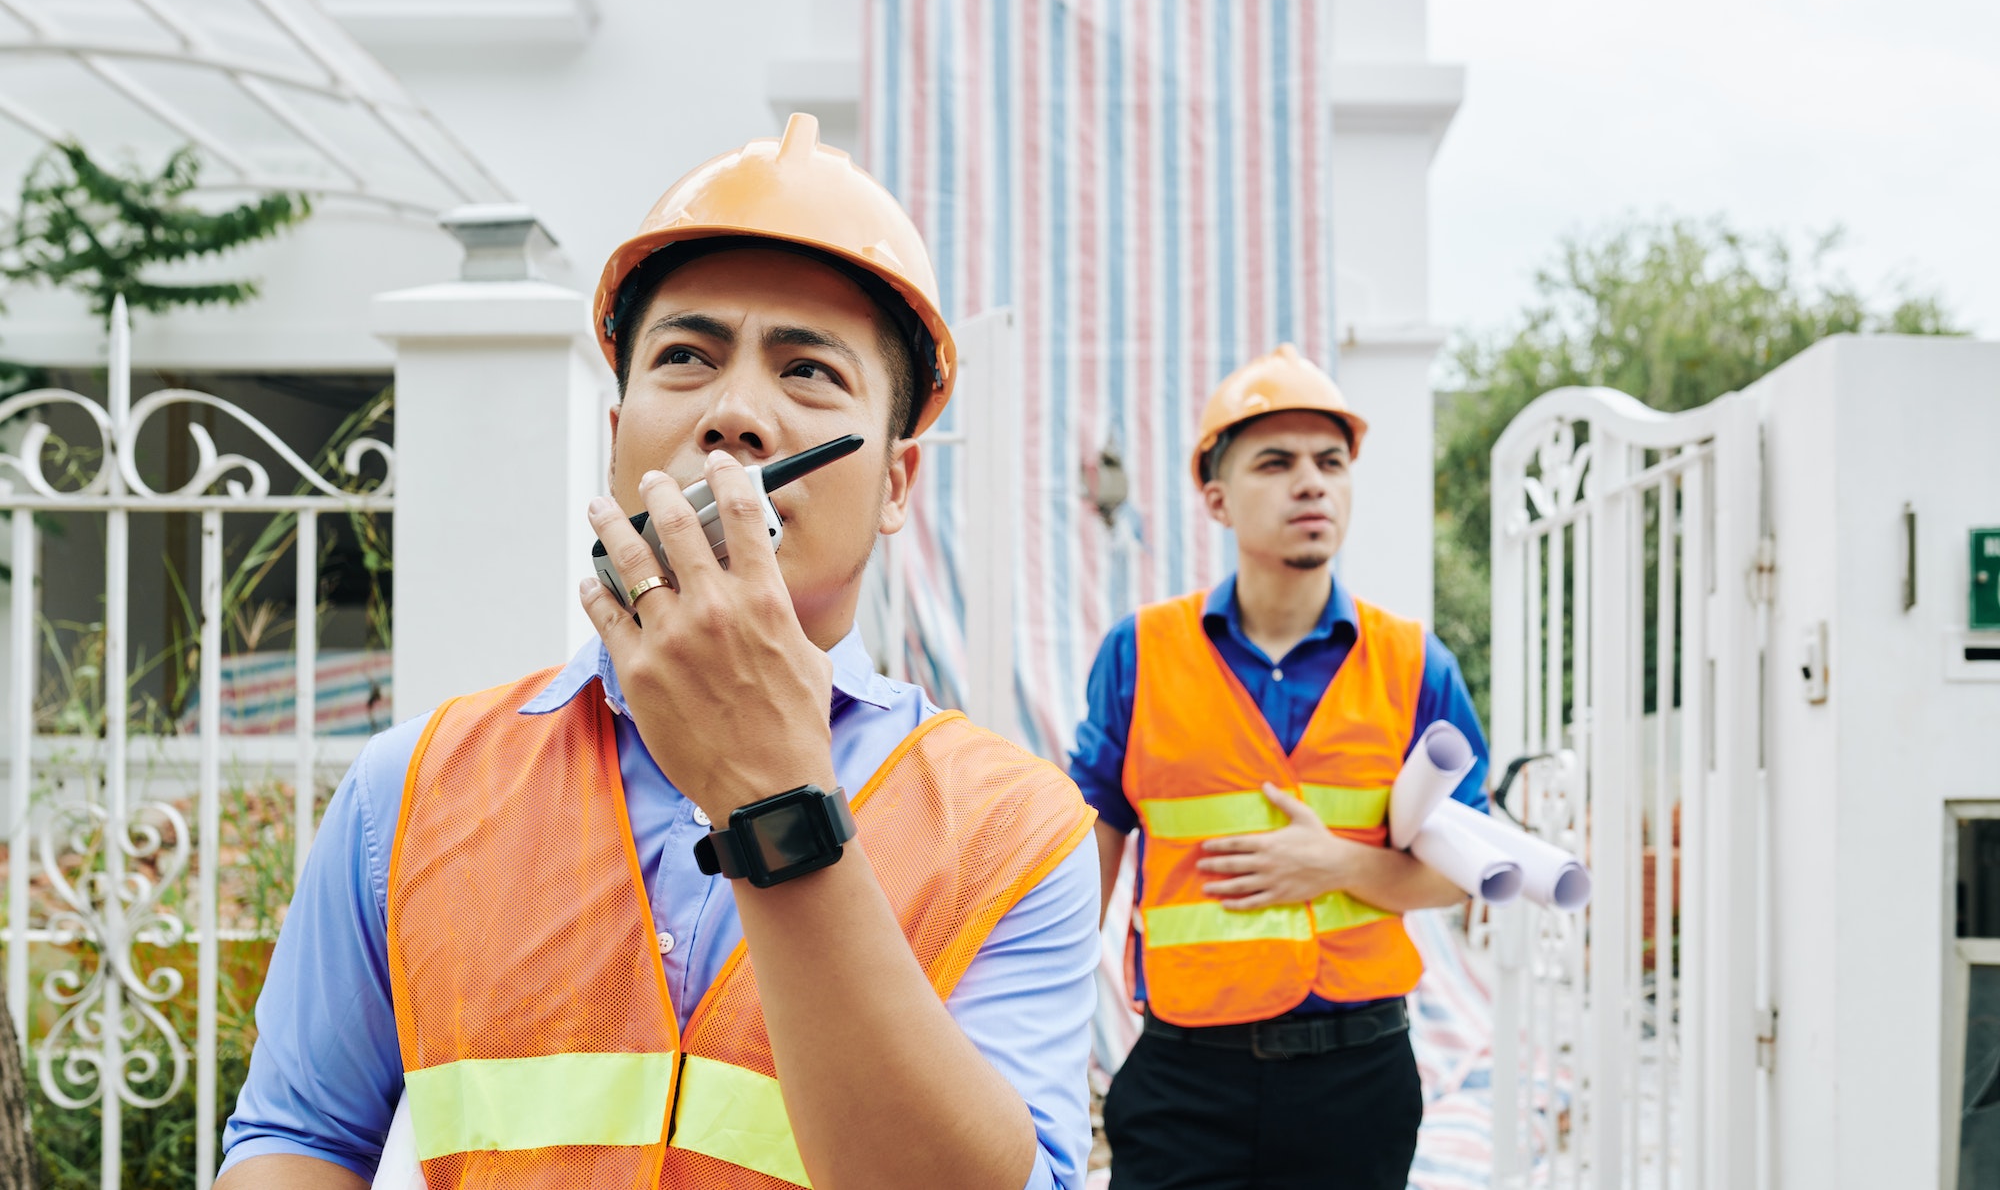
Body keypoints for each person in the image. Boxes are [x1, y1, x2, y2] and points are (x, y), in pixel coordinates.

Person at [218, 113, 1101, 1190]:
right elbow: (296, 1139)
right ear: (618, 427)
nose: (734, 413)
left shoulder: (1012, 832)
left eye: (809, 371)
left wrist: (771, 787)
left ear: (897, 484)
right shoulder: (406, 789)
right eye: (685, 356)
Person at [1070, 344, 1491, 1190]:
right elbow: (1091, 850)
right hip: (1185, 1075)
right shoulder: (1141, 652)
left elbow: (1464, 871)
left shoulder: (1415, 663)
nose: (1312, 482)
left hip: (1358, 1073)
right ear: (1217, 498)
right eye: (1278, 462)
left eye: (1330, 462)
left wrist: (1338, 863)